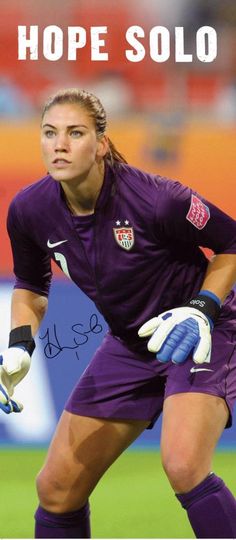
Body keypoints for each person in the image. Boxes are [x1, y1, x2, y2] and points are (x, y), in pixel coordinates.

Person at [1, 88, 236, 539]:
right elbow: (31, 285)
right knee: (56, 489)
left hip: (205, 330)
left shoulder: (158, 199)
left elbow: (231, 243)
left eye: (75, 133)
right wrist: (19, 348)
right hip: (132, 343)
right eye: (49, 133)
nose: (60, 144)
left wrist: (202, 308)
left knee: (184, 464)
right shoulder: (29, 210)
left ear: (101, 143)